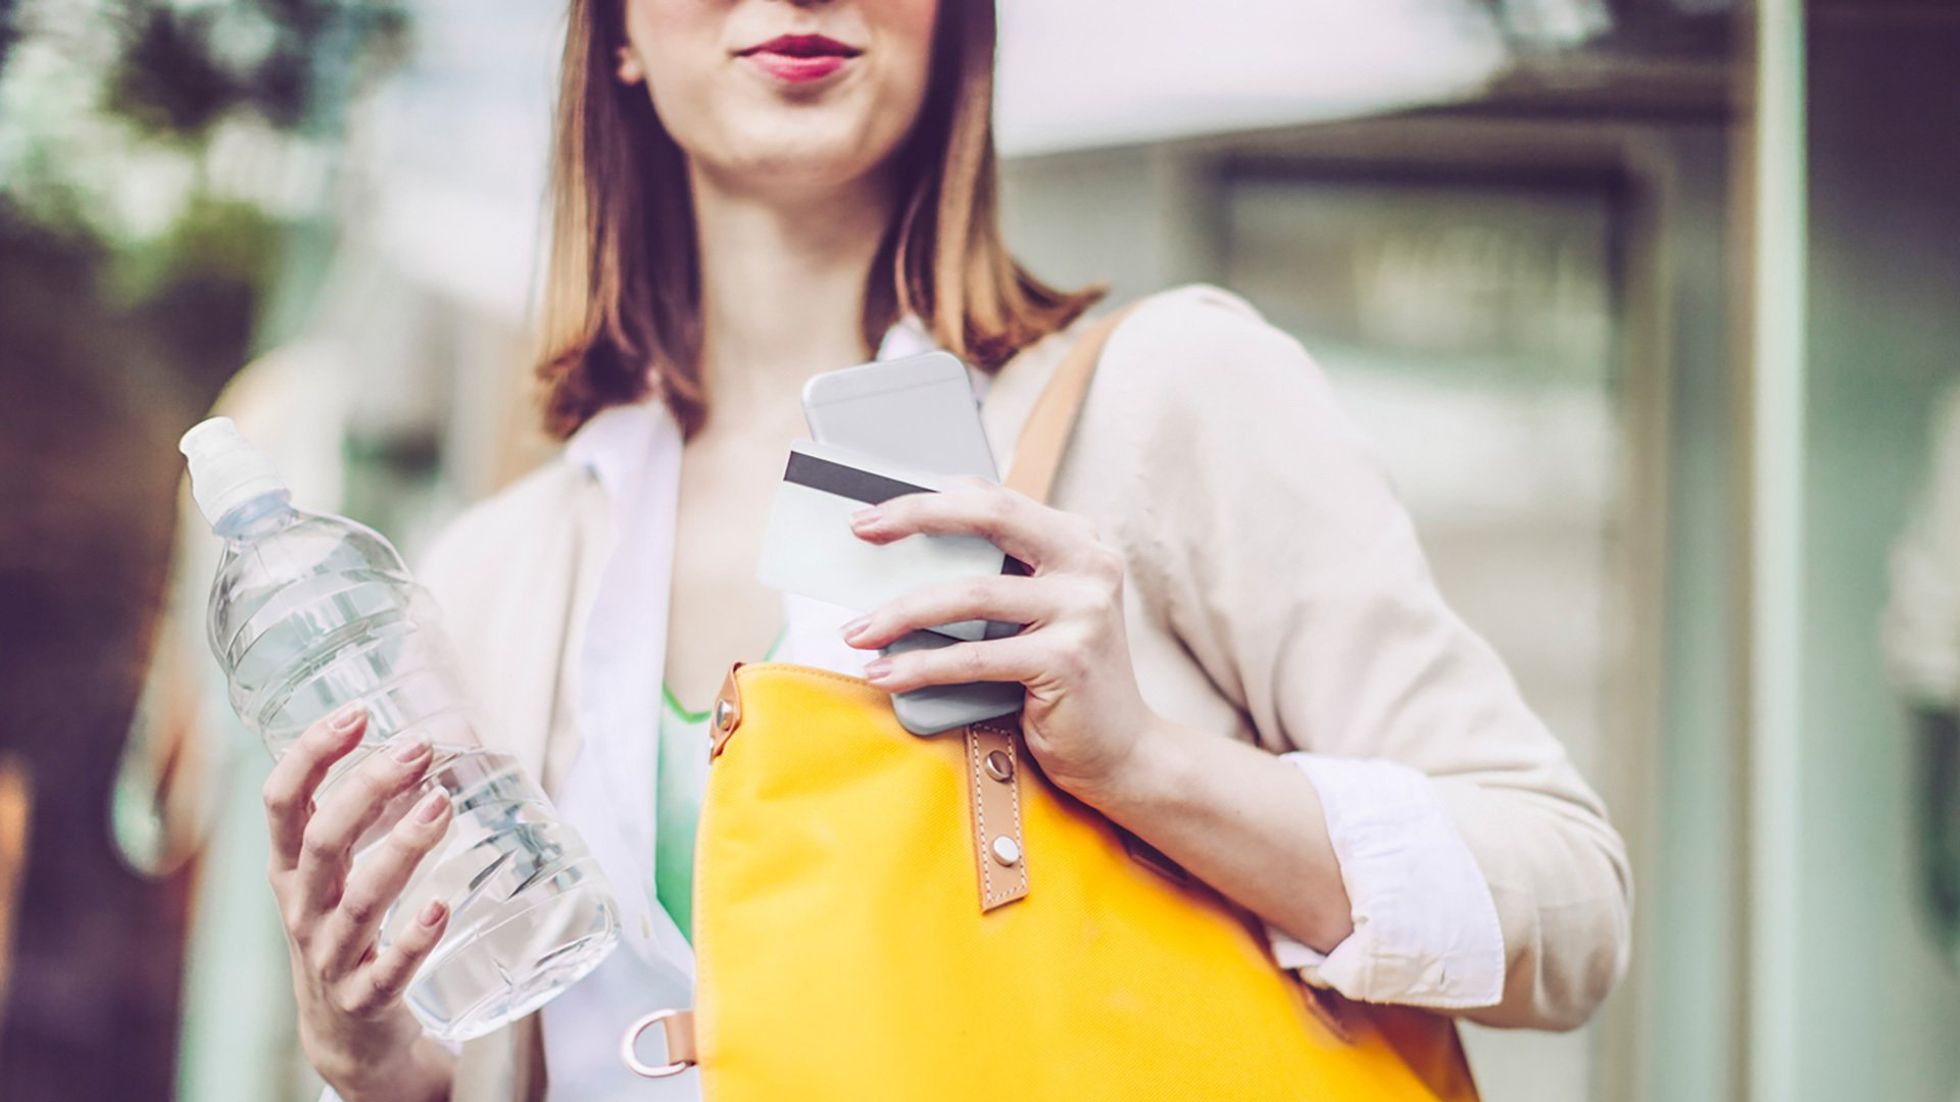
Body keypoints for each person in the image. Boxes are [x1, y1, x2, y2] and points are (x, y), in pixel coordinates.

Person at [257, 1, 1633, 1099]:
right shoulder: (501, 571)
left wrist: (1147, 765)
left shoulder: (1163, 400)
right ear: (613, 29)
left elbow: (1568, 903)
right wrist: (377, 1068)